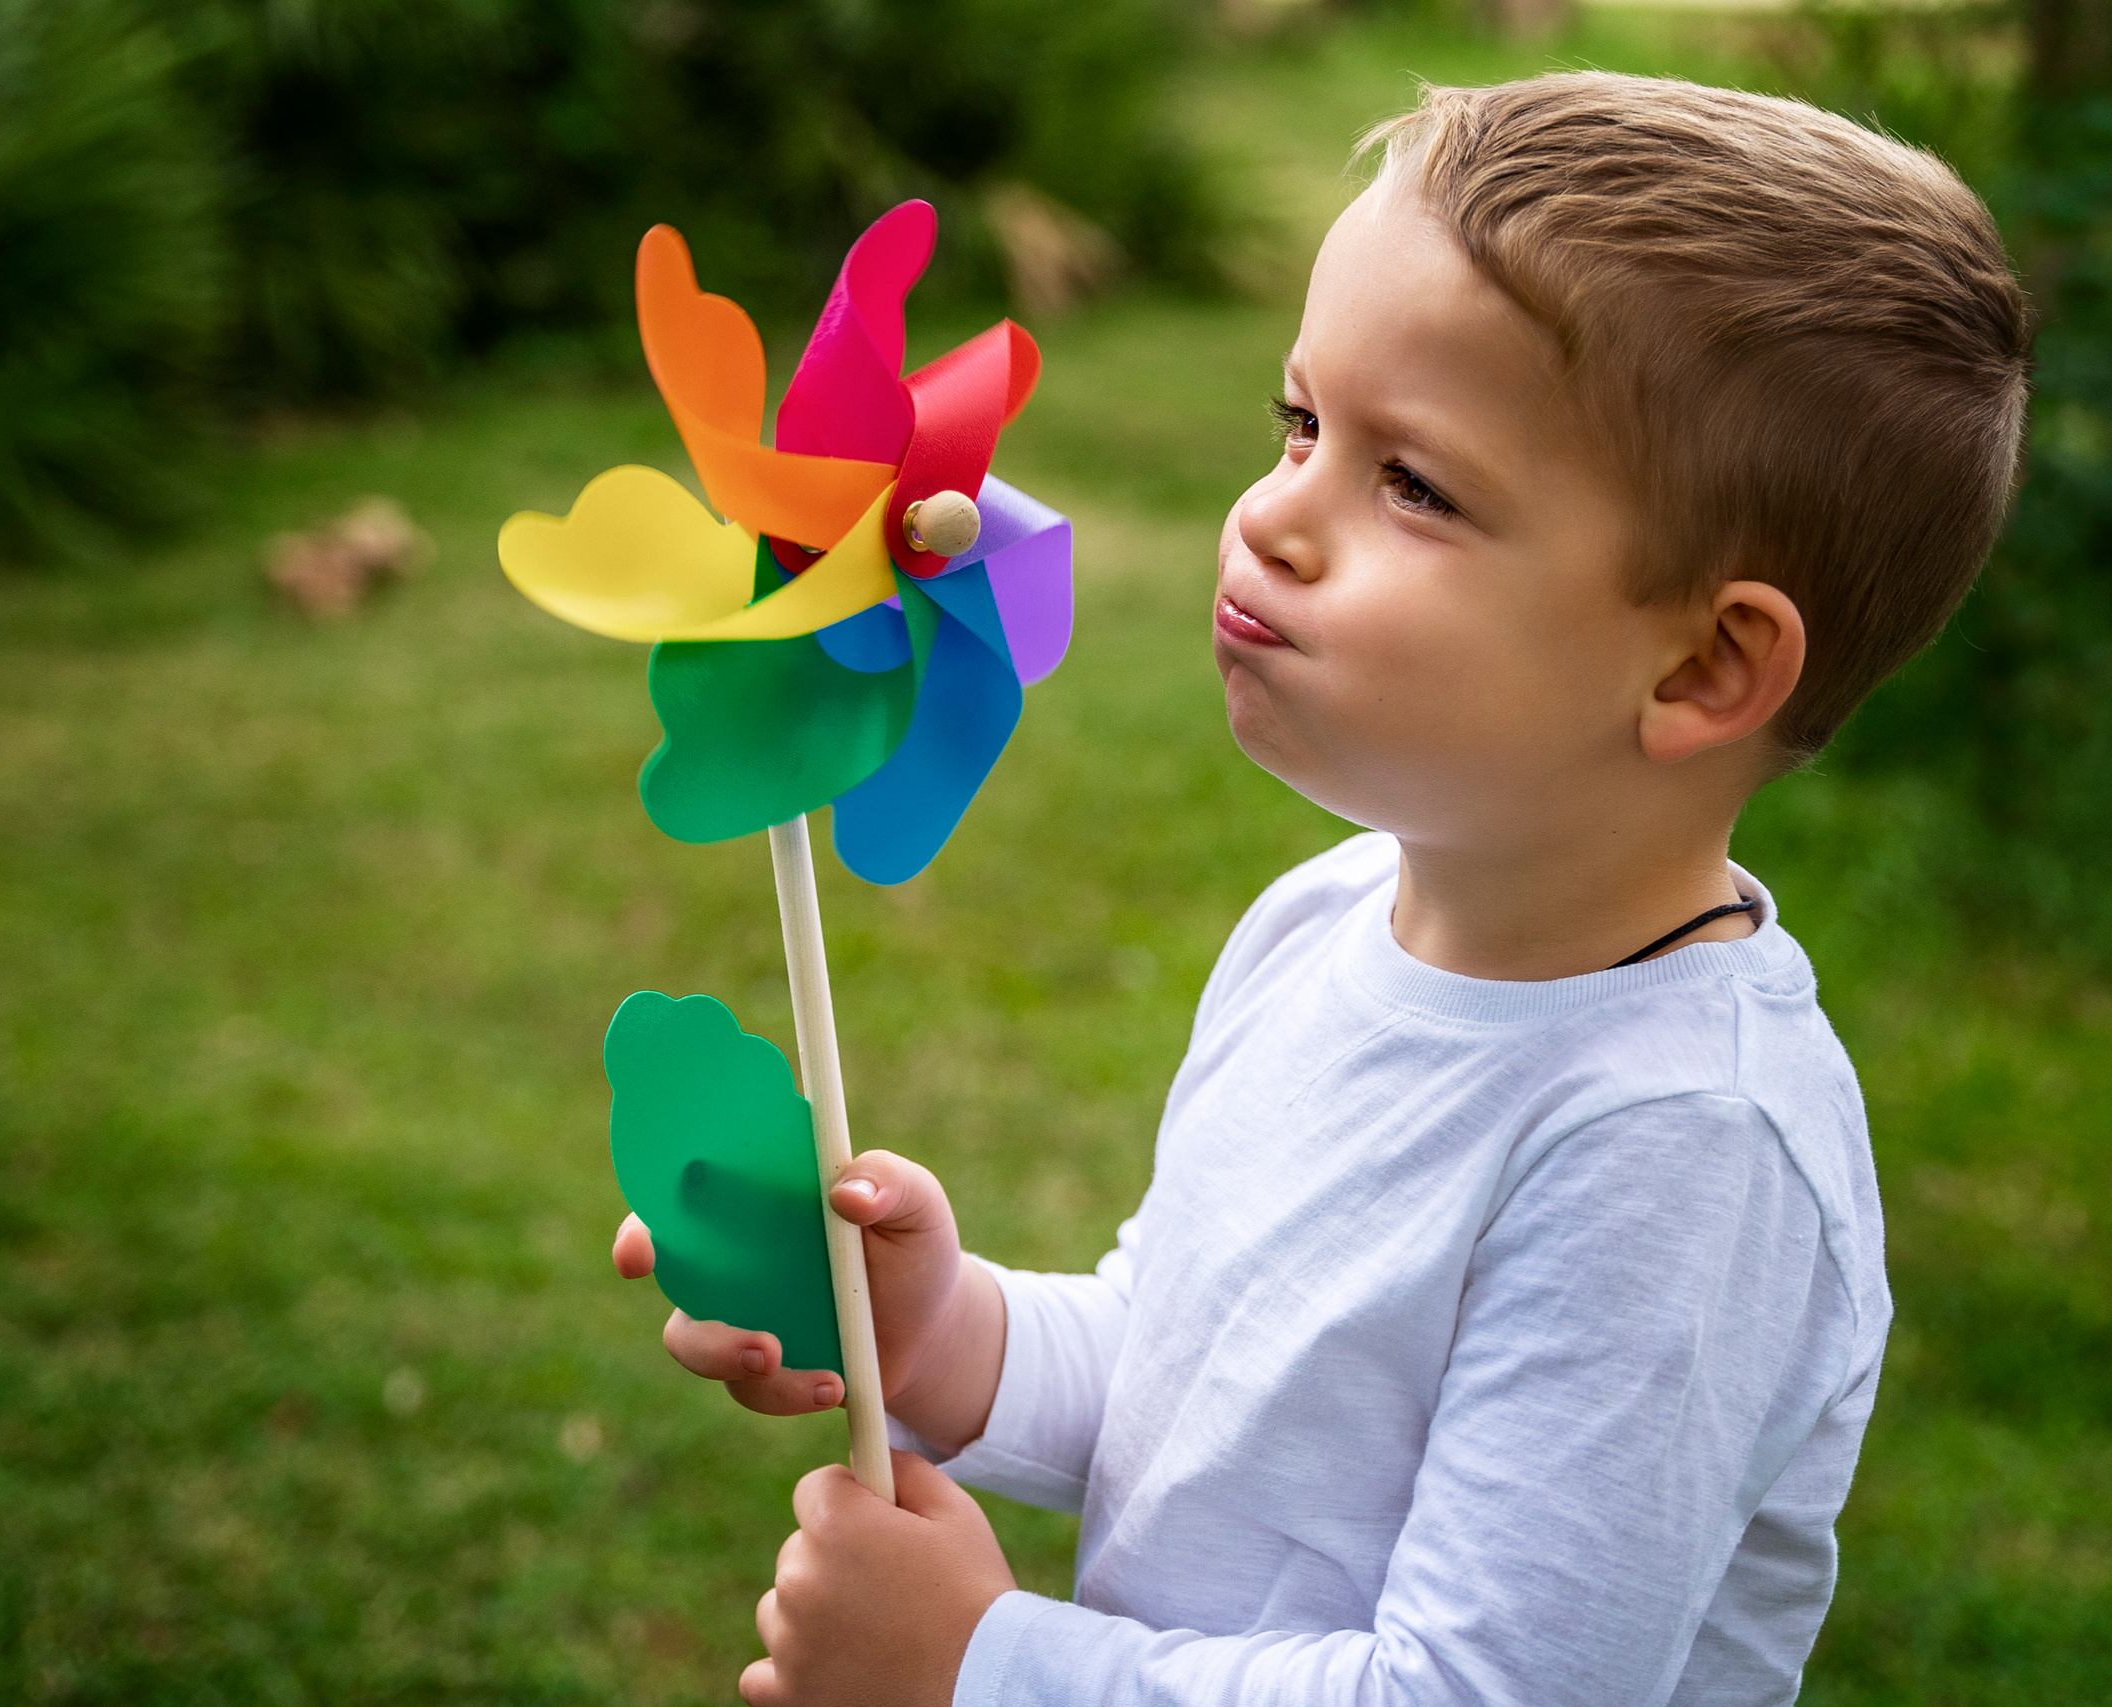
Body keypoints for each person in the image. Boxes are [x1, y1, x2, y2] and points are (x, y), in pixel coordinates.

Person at [613, 71, 2031, 1707]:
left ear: (1708, 662)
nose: (1273, 515)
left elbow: (1482, 1692)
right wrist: (941, 1333)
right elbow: (1187, 1382)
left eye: (1411, 483)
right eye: (1299, 425)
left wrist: (984, 1668)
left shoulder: (1680, 1150)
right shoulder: (1322, 925)